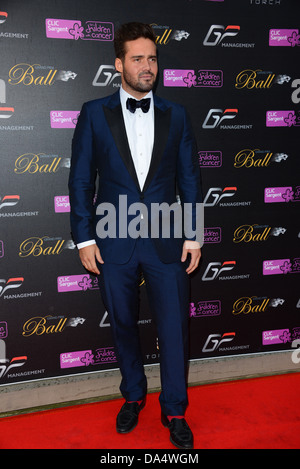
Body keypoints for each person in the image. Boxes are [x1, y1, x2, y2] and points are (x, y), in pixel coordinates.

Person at [68, 22, 202, 449]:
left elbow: (191, 180)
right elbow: (80, 180)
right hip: (113, 236)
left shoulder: (176, 114)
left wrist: (193, 235)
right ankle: (133, 395)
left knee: (174, 327)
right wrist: (84, 238)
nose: (148, 67)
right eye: (138, 58)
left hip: (166, 236)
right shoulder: (94, 112)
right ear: (119, 64)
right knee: (123, 323)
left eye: (153, 58)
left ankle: (175, 408)